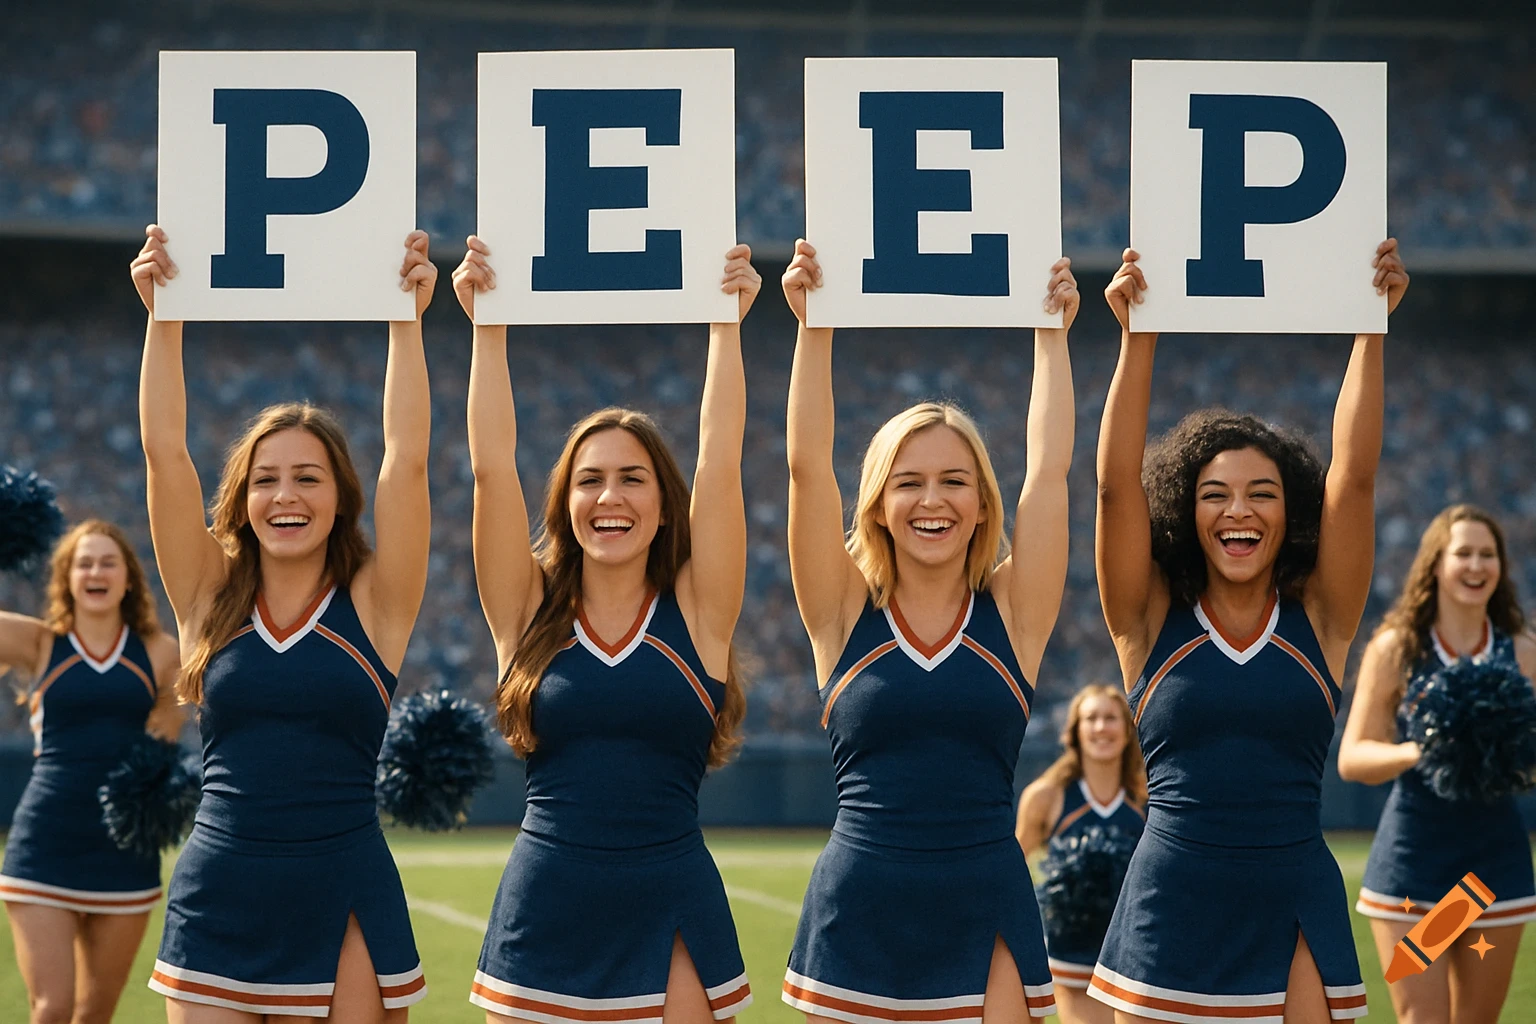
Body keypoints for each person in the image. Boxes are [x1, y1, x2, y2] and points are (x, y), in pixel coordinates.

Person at [1087, 240, 1409, 1024]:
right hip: (1170, 901)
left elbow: (1354, 479)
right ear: (1184, 512)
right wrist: (1137, 339)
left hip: (1293, 899)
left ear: (1291, 514)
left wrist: (1370, 329)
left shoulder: (1322, 618)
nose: (1239, 510)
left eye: (1262, 493)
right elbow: (1114, 488)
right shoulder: (1147, 620)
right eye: (1215, 495)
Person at [130, 223, 436, 1022]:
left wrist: (406, 321)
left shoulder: (377, 601)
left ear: (340, 498)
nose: (286, 496)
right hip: (219, 890)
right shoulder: (207, 594)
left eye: (308, 477)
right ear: (242, 498)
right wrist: (163, 318)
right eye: (265, 480)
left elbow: (406, 459)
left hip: (345, 892)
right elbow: (165, 454)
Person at [453, 236, 758, 1024]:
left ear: (664, 504)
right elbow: (491, 468)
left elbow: (721, 461)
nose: (610, 497)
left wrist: (726, 325)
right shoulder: (526, 611)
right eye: (589, 480)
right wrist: (486, 328)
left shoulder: (699, 611)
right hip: (545, 905)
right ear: (565, 503)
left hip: (674, 905)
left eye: (632, 478)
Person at [778, 239, 1078, 1023]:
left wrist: (1052, 336)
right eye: (907, 482)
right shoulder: (842, 612)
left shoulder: (1013, 614)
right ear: (878, 504)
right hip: (859, 907)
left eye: (954, 481)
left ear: (982, 504)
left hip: (987, 903)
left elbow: (1050, 473)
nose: (932, 500)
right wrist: (812, 329)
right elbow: (807, 468)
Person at [1339, 504, 1536, 1023]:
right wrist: (1422, 751)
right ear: (1436, 564)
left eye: (1487, 554)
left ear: (1501, 567)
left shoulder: (1522, 652)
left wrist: (1513, 756)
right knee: (1423, 1020)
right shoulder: (1397, 649)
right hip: (1416, 867)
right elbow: (1353, 757)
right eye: (1463, 553)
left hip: (1491, 868)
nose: (1476, 565)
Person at [1, 519, 182, 1024]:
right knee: (51, 1008)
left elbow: (167, 739)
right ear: (66, 578)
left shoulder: (160, 651)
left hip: (124, 850)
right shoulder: (40, 642)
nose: (95, 572)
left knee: (94, 1015)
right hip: (45, 843)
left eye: (108, 562)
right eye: (83, 563)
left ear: (129, 579)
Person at [1016, 684, 1147, 1023]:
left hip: (1135, 951)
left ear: (1128, 730)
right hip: (1071, 951)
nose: (1101, 727)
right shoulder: (1046, 797)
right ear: (1074, 731)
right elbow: (1013, 872)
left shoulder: (1148, 799)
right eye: (1091, 718)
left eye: (1111, 718)